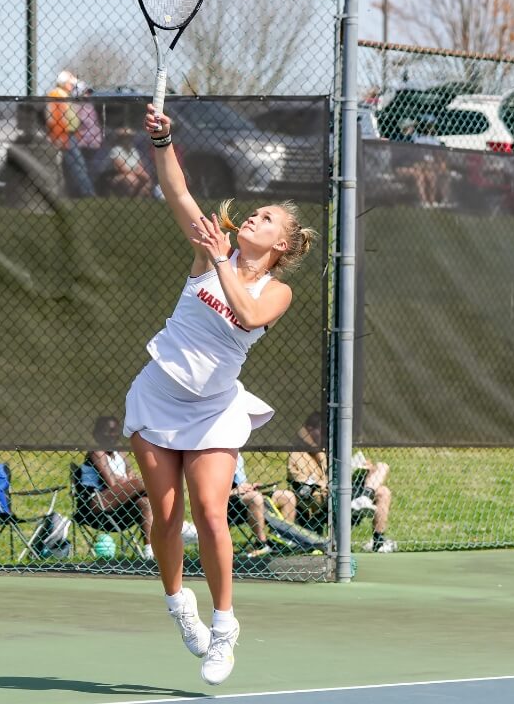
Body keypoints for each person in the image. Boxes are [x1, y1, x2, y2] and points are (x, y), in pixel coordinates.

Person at [123, 102, 316, 685]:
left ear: (281, 246)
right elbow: (177, 191)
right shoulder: (209, 249)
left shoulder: (274, 291)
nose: (253, 220)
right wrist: (162, 141)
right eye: (253, 214)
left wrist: (219, 260)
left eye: (266, 221)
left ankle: (224, 626)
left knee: (211, 511)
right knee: (164, 514)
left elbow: (248, 312)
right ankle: (181, 607)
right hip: (158, 395)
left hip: (214, 410)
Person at [270, 412, 397, 554]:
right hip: (324, 498)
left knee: (382, 480)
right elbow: (304, 486)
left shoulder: (329, 447)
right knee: (345, 490)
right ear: (310, 429)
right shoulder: (297, 454)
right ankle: (361, 500)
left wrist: (364, 468)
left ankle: (377, 538)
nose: (325, 435)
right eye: (322, 430)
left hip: (345, 489)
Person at [79, 415, 153, 554]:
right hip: (96, 504)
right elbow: (111, 483)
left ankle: (149, 552)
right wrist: (130, 482)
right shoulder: (97, 453)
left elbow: (131, 476)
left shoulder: (121, 453)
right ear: (98, 434)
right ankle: (179, 529)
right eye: (108, 431)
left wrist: (126, 481)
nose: (112, 435)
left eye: (115, 431)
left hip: (119, 507)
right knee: (145, 483)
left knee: (145, 502)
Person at [46, 70, 94, 197]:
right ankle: (87, 193)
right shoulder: (56, 94)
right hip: (64, 135)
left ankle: (75, 193)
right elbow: (54, 118)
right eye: (69, 83)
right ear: (63, 83)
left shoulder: (65, 94)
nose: (72, 85)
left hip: (70, 134)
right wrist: (59, 136)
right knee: (78, 164)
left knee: (73, 164)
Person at [228, 453, 271, 558]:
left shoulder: (238, 456)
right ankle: (261, 543)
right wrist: (236, 490)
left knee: (286, 496)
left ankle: (283, 539)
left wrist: (249, 486)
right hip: (229, 502)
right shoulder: (216, 458)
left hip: (242, 496)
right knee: (255, 498)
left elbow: (241, 483)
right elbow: (212, 494)